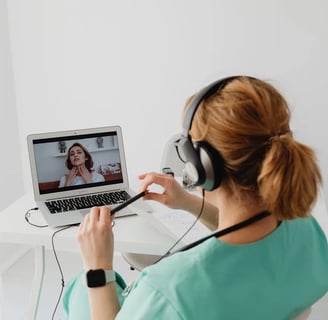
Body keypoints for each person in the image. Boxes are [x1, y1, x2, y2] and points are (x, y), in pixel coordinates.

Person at [62, 76, 328, 319]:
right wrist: (189, 203)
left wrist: (97, 266)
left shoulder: (168, 290)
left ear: (203, 167)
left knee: (80, 289)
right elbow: (247, 235)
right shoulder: (307, 230)